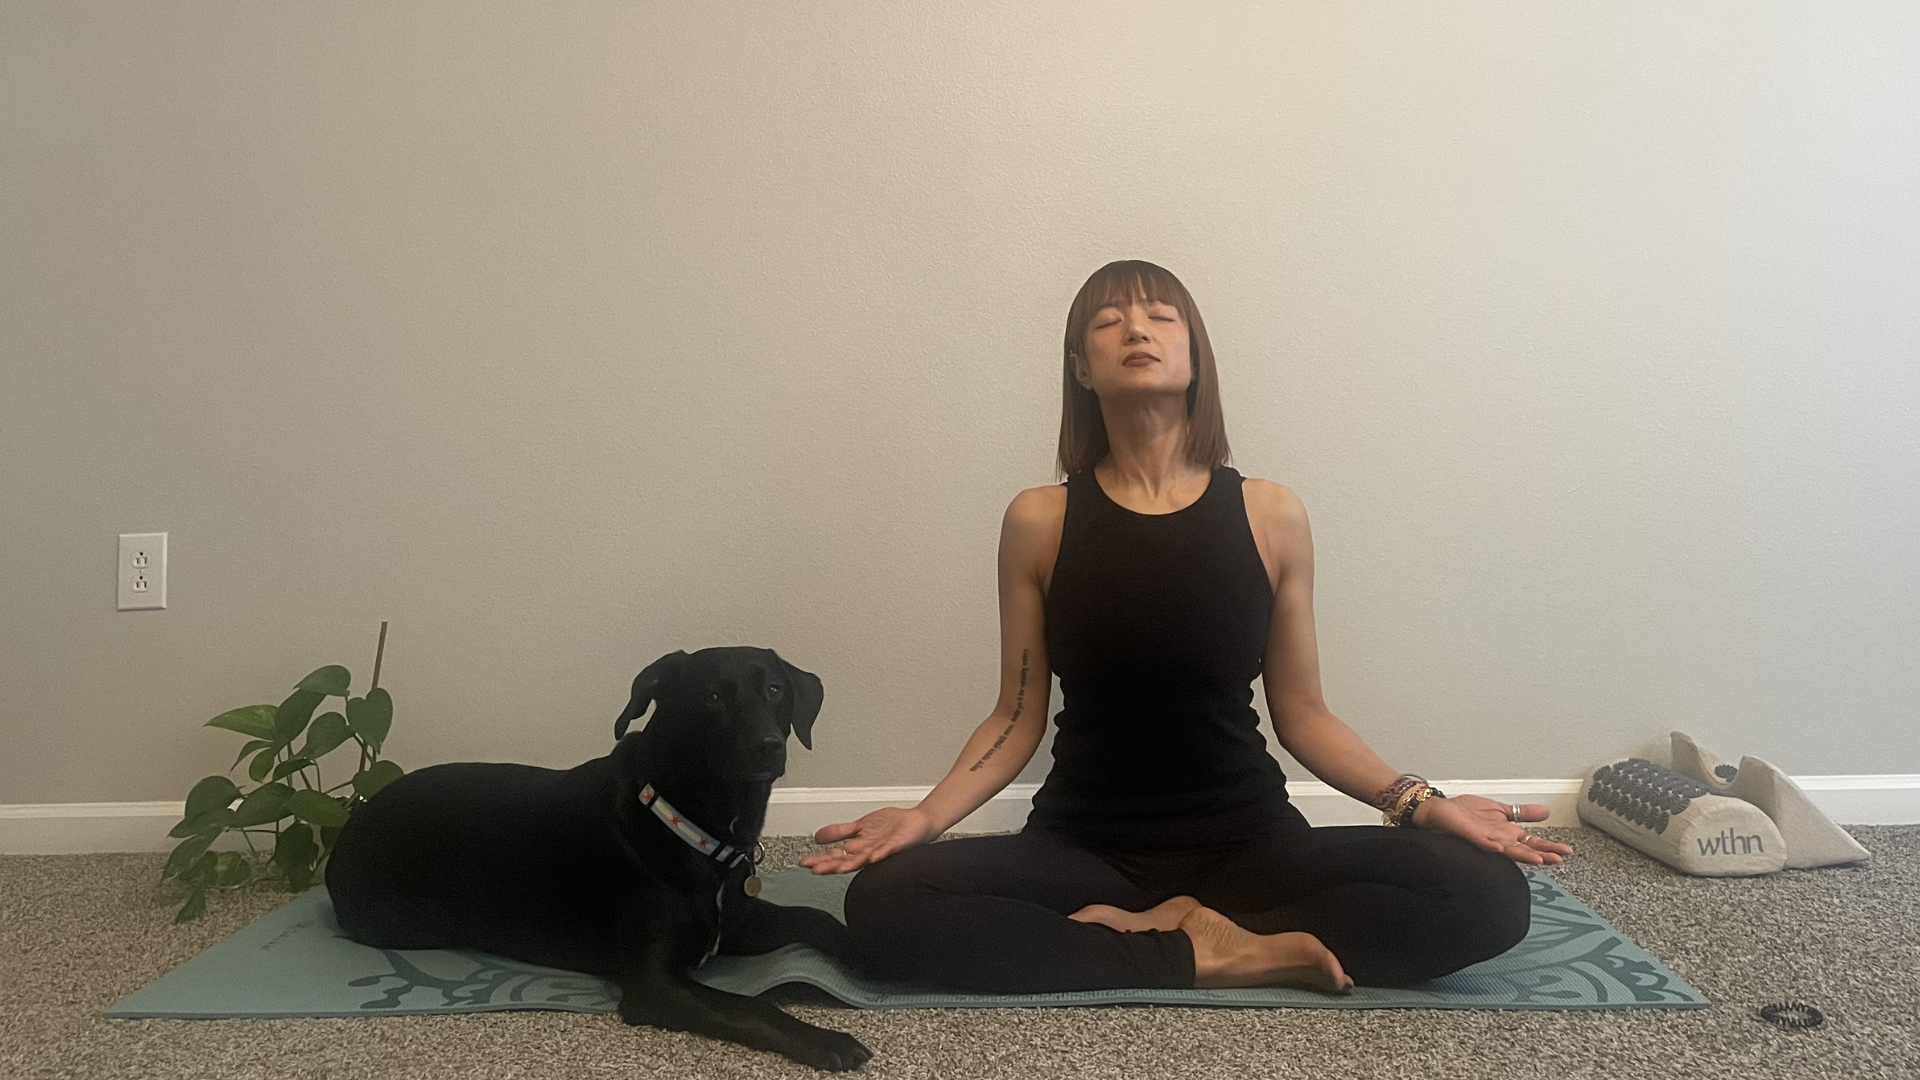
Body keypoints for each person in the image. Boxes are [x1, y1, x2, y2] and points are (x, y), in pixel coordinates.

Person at [798, 260, 1574, 993]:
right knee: (886, 902)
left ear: (1196, 356)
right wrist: (924, 817)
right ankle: (1213, 951)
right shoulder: (1040, 519)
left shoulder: (1271, 514)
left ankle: (1163, 938)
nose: (1137, 329)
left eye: (1160, 316)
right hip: (1084, 845)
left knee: (1487, 894)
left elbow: (1304, 715)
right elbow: (1015, 713)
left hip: (1252, 840)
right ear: (1080, 368)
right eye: (1108, 321)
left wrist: (1421, 801)